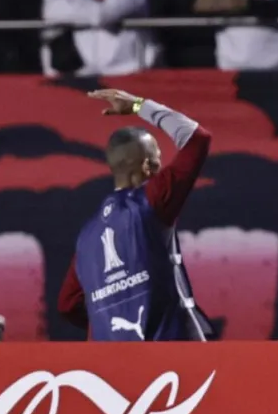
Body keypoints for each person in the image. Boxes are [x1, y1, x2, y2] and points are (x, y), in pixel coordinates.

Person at [57, 89, 214, 342]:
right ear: (147, 166)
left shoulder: (86, 237)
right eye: (158, 159)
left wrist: (106, 319)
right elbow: (197, 138)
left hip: (111, 364)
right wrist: (139, 105)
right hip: (172, 361)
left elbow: (67, 304)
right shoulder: (152, 201)